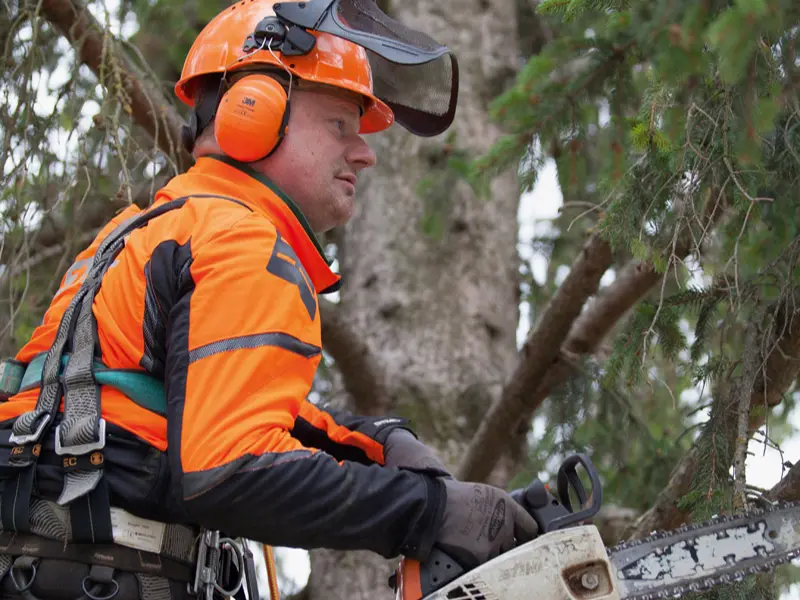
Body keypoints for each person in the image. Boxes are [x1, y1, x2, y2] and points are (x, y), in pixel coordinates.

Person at [0, 0, 538, 598]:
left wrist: (371, 444)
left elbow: (169, 392)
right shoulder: (243, 241)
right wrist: (427, 510)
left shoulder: (151, 228)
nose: (364, 153)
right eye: (339, 124)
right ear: (253, 111)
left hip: (44, 560)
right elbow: (228, 469)